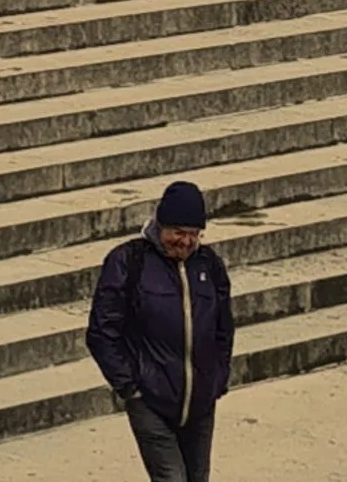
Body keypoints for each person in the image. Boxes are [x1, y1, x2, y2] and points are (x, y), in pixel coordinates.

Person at [86, 181, 235, 480]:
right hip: (150, 399)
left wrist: (217, 378)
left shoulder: (210, 265)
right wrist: (130, 386)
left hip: (200, 403)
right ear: (160, 226)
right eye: (178, 233)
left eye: (194, 234)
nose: (186, 242)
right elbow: (102, 331)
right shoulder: (129, 262)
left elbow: (223, 328)